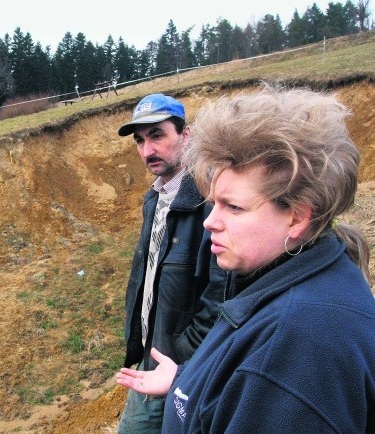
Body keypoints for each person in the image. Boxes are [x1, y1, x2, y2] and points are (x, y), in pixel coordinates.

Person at [116, 84, 375, 432]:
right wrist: (186, 379)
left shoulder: (297, 348)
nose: (210, 221)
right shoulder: (291, 282)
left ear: (297, 217)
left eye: (234, 207)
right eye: (214, 203)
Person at [116, 93, 226, 432]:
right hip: (154, 350)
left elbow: (221, 295)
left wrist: (180, 354)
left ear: (186, 135)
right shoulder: (156, 196)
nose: (147, 150)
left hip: (177, 359)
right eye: (140, 140)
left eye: (158, 135)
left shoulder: (208, 201)